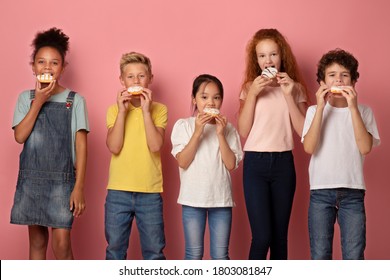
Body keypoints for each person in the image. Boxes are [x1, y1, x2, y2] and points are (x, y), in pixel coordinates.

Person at [10, 27, 89, 260]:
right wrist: (39, 101)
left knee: (62, 244)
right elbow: (20, 136)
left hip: (62, 182)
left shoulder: (75, 101)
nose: (47, 67)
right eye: (41, 62)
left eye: (54, 63)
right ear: (33, 66)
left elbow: (81, 147)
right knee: (37, 242)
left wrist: (79, 187)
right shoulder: (26, 98)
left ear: (63, 67)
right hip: (31, 180)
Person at [302, 48, 380, 259]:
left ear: (353, 82)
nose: (338, 80)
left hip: (353, 193)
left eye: (345, 75)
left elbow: (365, 147)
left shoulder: (364, 111)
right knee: (320, 255)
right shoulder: (312, 111)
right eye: (332, 75)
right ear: (322, 82)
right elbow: (309, 147)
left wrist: (353, 108)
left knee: (354, 256)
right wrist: (320, 108)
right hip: (320, 192)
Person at [237, 28, 308, 259]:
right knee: (262, 236)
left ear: (282, 56)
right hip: (255, 164)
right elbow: (244, 130)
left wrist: (288, 93)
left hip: (283, 163)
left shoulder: (295, 87)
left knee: (280, 237)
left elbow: (303, 132)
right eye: (262, 55)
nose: (268, 60)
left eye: (273, 54)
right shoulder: (249, 87)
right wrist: (253, 94)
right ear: (256, 60)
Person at [171, 74, 243, 259]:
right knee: (194, 255)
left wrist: (220, 134)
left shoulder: (228, 129)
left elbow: (231, 165)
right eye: (204, 97)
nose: (211, 102)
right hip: (192, 200)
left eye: (216, 97)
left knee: (220, 256)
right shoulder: (184, 126)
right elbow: (183, 162)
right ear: (194, 99)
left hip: (221, 200)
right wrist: (197, 132)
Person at [105, 52, 167, 260]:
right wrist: (123, 112)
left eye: (141, 76)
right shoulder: (114, 111)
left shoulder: (159, 110)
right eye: (130, 77)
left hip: (149, 192)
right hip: (118, 192)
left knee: (154, 253)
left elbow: (156, 145)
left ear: (150, 79)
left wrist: (146, 112)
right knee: (114, 251)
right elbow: (114, 147)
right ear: (122, 81)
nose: (136, 81)